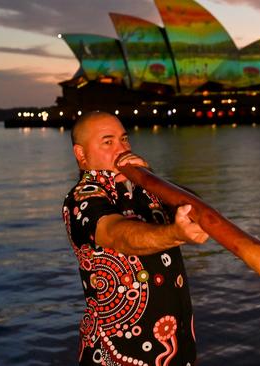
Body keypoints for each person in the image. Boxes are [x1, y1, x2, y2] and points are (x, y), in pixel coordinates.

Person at [62, 111, 208, 366]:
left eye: (124, 139)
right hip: (120, 353)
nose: (122, 149)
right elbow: (118, 235)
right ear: (81, 154)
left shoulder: (143, 188)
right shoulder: (82, 198)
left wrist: (152, 178)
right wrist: (175, 234)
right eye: (108, 142)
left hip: (177, 348)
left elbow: (195, 206)